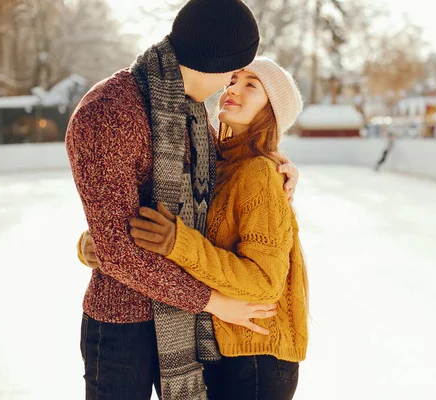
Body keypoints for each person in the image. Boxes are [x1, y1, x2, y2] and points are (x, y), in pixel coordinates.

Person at [65, 1, 299, 399]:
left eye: (248, 81)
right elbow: (119, 249)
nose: (231, 84)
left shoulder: (191, 116)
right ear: (221, 63)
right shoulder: (110, 111)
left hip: (188, 330)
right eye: (235, 72)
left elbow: (229, 186)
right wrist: (212, 302)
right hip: (125, 324)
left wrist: (276, 164)